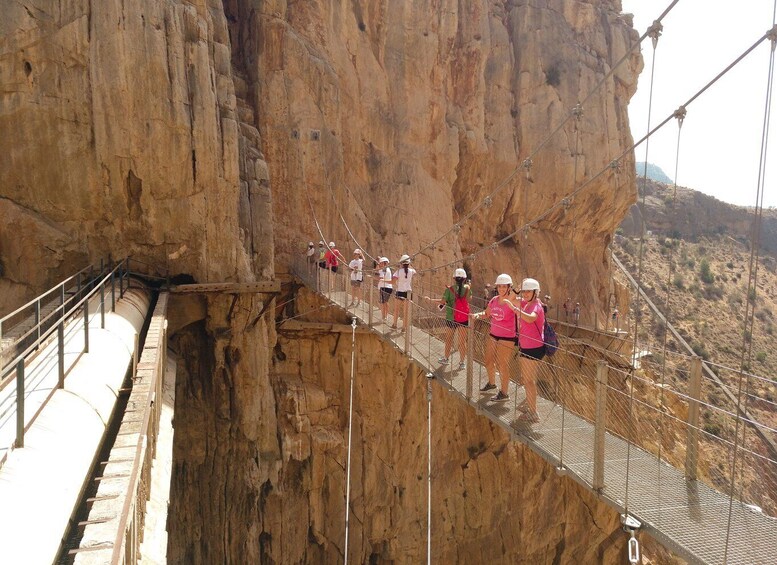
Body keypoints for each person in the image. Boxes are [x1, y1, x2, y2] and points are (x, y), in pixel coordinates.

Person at [472, 274, 518, 402]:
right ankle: (492, 384)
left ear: (509, 287)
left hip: (507, 336)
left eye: (504, 286)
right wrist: (476, 315)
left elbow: (521, 308)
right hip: (494, 334)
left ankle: (504, 393)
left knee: (502, 364)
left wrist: (517, 292)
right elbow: (486, 314)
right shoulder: (494, 300)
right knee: (488, 361)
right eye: (500, 286)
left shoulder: (512, 301)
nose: (502, 289)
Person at [506, 278, 546, 423]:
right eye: (525, 291)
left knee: (529, 381)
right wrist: (517, 288)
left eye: (529, 291)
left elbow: (531, 319)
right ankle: (530, 405)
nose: (526, 293)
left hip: (534, 347)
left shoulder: (536, 305)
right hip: (526, 346)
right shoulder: (526, 303)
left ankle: (533, 413)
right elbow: (510, 299)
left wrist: (516, 310)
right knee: (527, 379)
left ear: (535, 292)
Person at [426, 268, 470, 368]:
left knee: (449, 338)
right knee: (462, 341)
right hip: (463, 318)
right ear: (464, 279)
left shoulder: (449, 290)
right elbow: (468, 299)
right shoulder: (468, 289)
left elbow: (442, 302)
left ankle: (446, 359)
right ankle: (462, 363)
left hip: (451, 317)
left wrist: (431, 300)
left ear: (454, 278)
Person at [391, 254, 416, 330]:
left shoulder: (398, 272)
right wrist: (409, 265)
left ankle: (395, 324)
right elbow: (415, 272)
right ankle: (404, 327)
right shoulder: (412, 271)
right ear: (408, 263)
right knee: (406, 312)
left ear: (401, 263)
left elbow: (393, 282)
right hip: (408, 293)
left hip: (400, 291)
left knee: (396, 310)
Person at [375, 257, 393, 322]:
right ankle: (386, 315)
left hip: (383, 287)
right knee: (386, 302)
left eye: (380, 263)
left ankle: (383, 317)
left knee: (383, 303)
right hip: (389, 287)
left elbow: (380, 277)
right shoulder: (388, 269)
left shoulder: (382, 269)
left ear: (383, 263)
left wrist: (373, 277)